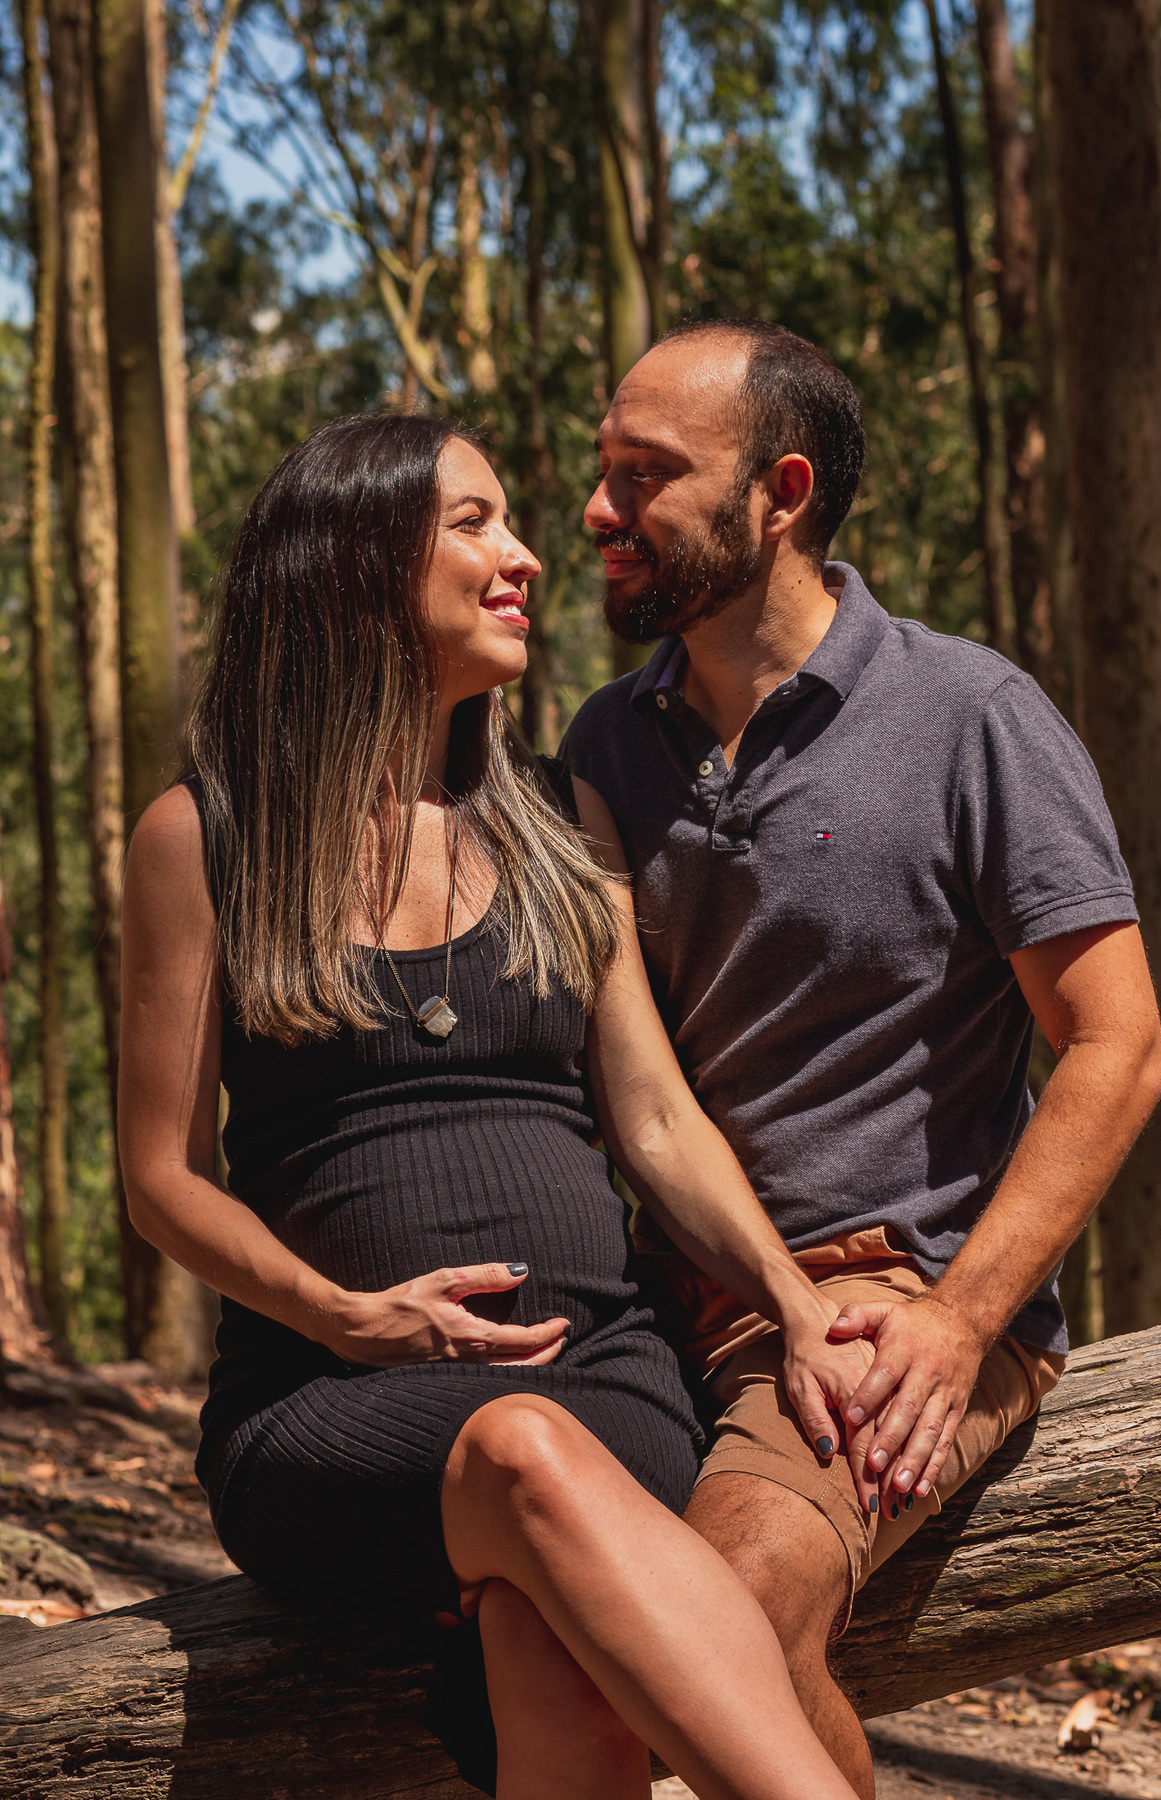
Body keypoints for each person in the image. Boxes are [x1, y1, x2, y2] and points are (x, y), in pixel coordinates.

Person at [118, 411, 868, 1800]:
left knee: (549, 1632)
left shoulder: (552, 812)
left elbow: (651, 1120)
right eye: (473, 524)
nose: (525, 554)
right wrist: (345, 1315)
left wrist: (797, 1301)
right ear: (349, 565)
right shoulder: (205, 835)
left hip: (609, 1380)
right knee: (522, 1455)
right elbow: (158, 1175)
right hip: (333, 1404)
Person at [560, 318, 1161, 1800]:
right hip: (680, 1307)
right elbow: (631, 1086)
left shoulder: (972, 717)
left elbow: (1121, 1047)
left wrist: (964, 1322)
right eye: (600, 470)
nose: (596, 510)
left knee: (727, 1621)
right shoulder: (605, 746)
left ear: (779, 494)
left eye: (645, 475)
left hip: (902, 1301)